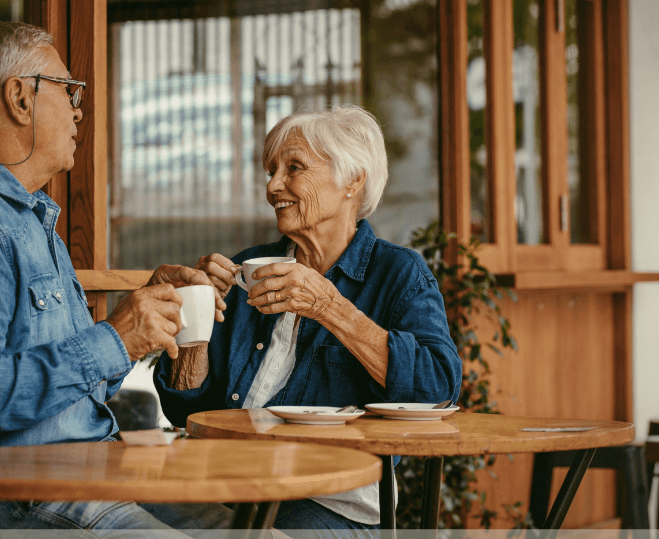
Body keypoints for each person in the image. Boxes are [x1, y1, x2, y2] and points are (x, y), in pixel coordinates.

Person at [0, 21, 230, 532]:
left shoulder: (25, 216)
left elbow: (65, 388)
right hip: (11, 499)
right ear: (20, 99)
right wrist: (114, 338)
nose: (78, 107)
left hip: (82, 477)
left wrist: (137, 324)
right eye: (69, 89)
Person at [153, 105, 462, 535]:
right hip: (229, 485)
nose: (273, 185)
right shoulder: (247, 269)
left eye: (293, 168)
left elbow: (438, 389)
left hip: (331, 504)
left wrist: (330, 307)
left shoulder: (397, 274)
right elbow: (187, 411)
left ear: (352, 180)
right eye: (271, 170)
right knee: (118, 514)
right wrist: (195, 322)